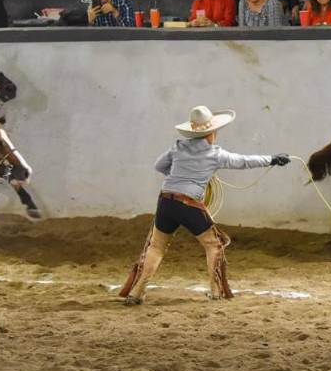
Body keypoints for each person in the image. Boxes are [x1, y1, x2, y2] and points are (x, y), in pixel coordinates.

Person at [119, 105, 290, 305]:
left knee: (156, 246)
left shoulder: (177, 147)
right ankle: (216, 292)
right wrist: (273, 159)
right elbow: (243, 161)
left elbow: (159, 166)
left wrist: (178, 179)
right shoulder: (215, 154)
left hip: (166, 200)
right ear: (212, 133)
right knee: (214, 244)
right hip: (189, 203)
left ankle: (137, 292)